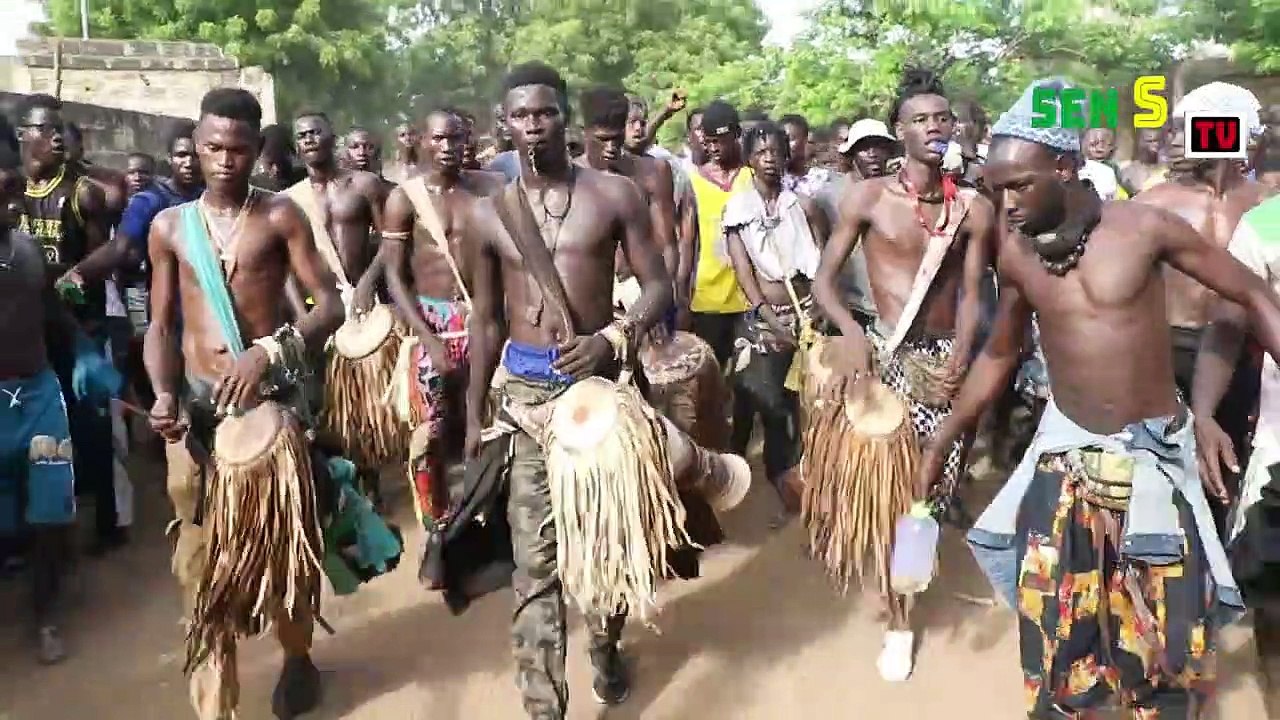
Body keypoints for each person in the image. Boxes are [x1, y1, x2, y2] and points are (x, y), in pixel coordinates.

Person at [921, 77, 1280, 719]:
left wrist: (1206, 411)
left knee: (1168, 648)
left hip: (1151, 462)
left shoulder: (1144, 228)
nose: (1004, 205)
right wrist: (946, 438)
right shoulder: (1019, 254)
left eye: (1018, 186)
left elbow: (1252, 295)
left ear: (1063, 168)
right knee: (1059, 637)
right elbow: (1002, 352)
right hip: (1067, 460)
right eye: (996, 189)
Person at [462, 61, 674, 718]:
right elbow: (488, 318)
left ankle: (607, 648)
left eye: (545, 112)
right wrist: (474, 416)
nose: (533, 125)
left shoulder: (614, 195)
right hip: (523, 400)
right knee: (537, 567)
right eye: (521, 114)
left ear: (565, 118)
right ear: (505, 122)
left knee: (604, 546)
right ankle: (543, 708)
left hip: (600, 396)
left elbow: (660, 285)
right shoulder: (489, 214)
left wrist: (612, 339)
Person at [145, 87, 343, 720]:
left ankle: (296, 654)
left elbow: (329, 307)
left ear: (258, 151)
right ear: (196, 148)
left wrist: (268, 353)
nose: (224, 160)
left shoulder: (281, 216)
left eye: (237, 149)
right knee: (198, 568)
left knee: (282, 549)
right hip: (198, 423)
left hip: (273, 411)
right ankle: (216, 707)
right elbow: (159, 327)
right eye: (212, 148)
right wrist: (164, 395)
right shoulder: (170, 227)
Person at [810, 69, 994, 681]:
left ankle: (906, 584)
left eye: (943, 118)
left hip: (942, 366)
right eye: (921, 120)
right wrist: (855, 336)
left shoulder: (972, 208)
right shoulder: (866, 198)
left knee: (926, 498)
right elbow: (823, 283)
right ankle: (898, 619)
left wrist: (962, 359)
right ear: (899, 132)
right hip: (883, 363)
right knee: (893, 496)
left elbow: (972, 294)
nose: (936, 127)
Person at [0, 144, 118, 664]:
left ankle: (45, 617)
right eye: (1, 191)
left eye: (11, 189)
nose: (11, 200)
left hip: (41, 396)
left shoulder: (25, 247)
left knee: (50, 512)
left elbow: (47, 305)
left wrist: (85, 350)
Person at [1136, 83, 1271, 518]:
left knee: (1230, 478)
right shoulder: (1152, 206)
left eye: (1187, 128)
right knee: (1160, 481)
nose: (1175, 138)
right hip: (1164, 356)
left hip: (1244, 360)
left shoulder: (1266, 205)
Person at [381, 108, 502, 536]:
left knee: (488, 421)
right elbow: (394, 275)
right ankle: (436, 527)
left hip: (483, 318)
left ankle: (487, 517)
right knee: (427, 433)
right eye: (439, 139)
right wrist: (427, 339)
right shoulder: (404, 199)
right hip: (432, 320)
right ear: (423, 141)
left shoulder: (490, 190)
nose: (448, 148)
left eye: (456, 139)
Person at [13, 95, 126, 554]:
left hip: (83, 328)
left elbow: (111, 252)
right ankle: (44, 525)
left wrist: (77, 274)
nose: (58, 136)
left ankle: (109, 519)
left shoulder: (82, 193)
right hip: (31, 332)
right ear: (24, 135)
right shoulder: (11, 192)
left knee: (94, 427)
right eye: (46, 128)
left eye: (61, 128)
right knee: (38, 432)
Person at [1194, 193, 1280, 713]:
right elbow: (1228, 323)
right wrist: (1204, 413)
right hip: (1279, 449)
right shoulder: (1265, 225)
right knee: (1272, 600)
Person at [724, 122, 824, 513]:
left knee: (807, 404)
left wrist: (816, 307)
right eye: (761, 152)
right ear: (749, 159)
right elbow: (744, 273)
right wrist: (770, 316)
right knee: (775, 408)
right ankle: (784, 484)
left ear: (787, 155)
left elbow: (825, 259)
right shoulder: (738, 212)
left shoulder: (804, 206)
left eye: (776, 151)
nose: (769, 159)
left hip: (809, 316)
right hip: (766, 322)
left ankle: (804, 477)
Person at [687, 100, 755, 452]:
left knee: (747, 381)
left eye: (721, 141)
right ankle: (709, 449)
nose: (714, 148)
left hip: (750, 297)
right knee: (708, 380)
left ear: (737, 136)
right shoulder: (692, 182)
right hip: (706, 297)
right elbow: (685, 241)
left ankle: (739, 450)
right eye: (708, 141)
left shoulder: (753, 176)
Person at [577, 87, 678, 293]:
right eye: (603, 139)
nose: (612, 146)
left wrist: (658, 299)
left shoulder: (654, 173)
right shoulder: (571, 177)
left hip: (643, 287)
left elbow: (667, 245)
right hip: (588, 292)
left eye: (617, 138)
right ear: (584, 133)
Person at [813, 118, 898, 328]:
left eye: (879, 146)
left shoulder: (899, 192)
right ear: (851, 154)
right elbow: (820, 248)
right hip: (850, 304)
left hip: (891, 306)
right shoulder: (830, 195)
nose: (872, 154)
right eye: (864, 148)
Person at [780, 113, 833, 198]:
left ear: (806, 139)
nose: (785, 144)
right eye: (781, 140)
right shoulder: (774, 181)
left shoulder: (823, 179)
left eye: (790, 139)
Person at [251, 124, 303, 192]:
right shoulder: (253, 186)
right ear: (260, 158)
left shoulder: (306, 180)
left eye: (281, 163)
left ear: (291, 155)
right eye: (270, 164)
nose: (276, 169)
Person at [1120, 127, 1164, 195]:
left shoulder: (1166, 170)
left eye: (1157, 141)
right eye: (1150, 141)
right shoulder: (1128, 172)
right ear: (1140, 143)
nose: (1155, 145)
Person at [384, 121, 421, 185]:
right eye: (402, 135)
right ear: (395, 140)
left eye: (410, 134)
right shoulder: (389, 166)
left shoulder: (423, 161)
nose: (408, 138)